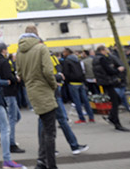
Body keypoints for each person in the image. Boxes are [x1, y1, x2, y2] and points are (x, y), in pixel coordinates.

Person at [16, 26, 88, 169]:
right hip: (45, 90)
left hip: (32, 91)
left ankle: (42, 162)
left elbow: (20, 73)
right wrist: (53, 84)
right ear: (36, 35)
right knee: (50, 132)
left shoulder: (19, 52)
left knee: (44, 126)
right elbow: (48, 71)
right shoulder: (41, 48)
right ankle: (51, 165)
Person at [0, 42, 25, 153]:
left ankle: (6, 136)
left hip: (3, 92)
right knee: (12, 117)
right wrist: (16, 79)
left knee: (15, 116)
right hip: (9, 92)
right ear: (3, 50)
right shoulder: (4, 62)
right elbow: (8, 76)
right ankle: (11, 143)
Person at [93, 45, 130, 132]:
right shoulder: (102, 59)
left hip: (103, 82)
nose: (107, 51)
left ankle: (111, 117)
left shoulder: (95, 59)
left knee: (117, 99)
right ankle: (116, 123)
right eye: (106, 50)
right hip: (108, 81)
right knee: (115, 101)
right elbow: (109, 70)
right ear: (102, 50)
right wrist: (118, 70)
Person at [62, 48, 95, 123]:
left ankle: (82, 118)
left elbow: (66, 73)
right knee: (85, 100)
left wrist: (67, 81)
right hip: (80, 82)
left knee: (77, 101)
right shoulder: (77, 60)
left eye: (64, 52)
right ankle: (91, 117)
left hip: (73, 83)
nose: (63, 53)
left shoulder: (67, 61)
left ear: (67, 52)